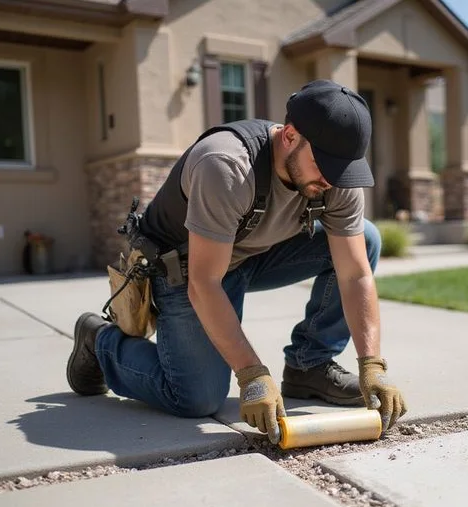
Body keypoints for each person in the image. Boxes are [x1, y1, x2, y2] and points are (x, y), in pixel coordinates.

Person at [66, 79, 407, 444]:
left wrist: (372, 363)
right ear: (290, 136)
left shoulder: (336, 176)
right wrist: (251, 374)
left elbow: (355, 274)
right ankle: (100, 343)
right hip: (186, 268)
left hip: (254, 254)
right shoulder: (226, 165)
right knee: (196, 398)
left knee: (365, 238)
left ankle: (309, 365)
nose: (332, 180)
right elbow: (204, 282)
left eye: (342, 168)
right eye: (323, 165)